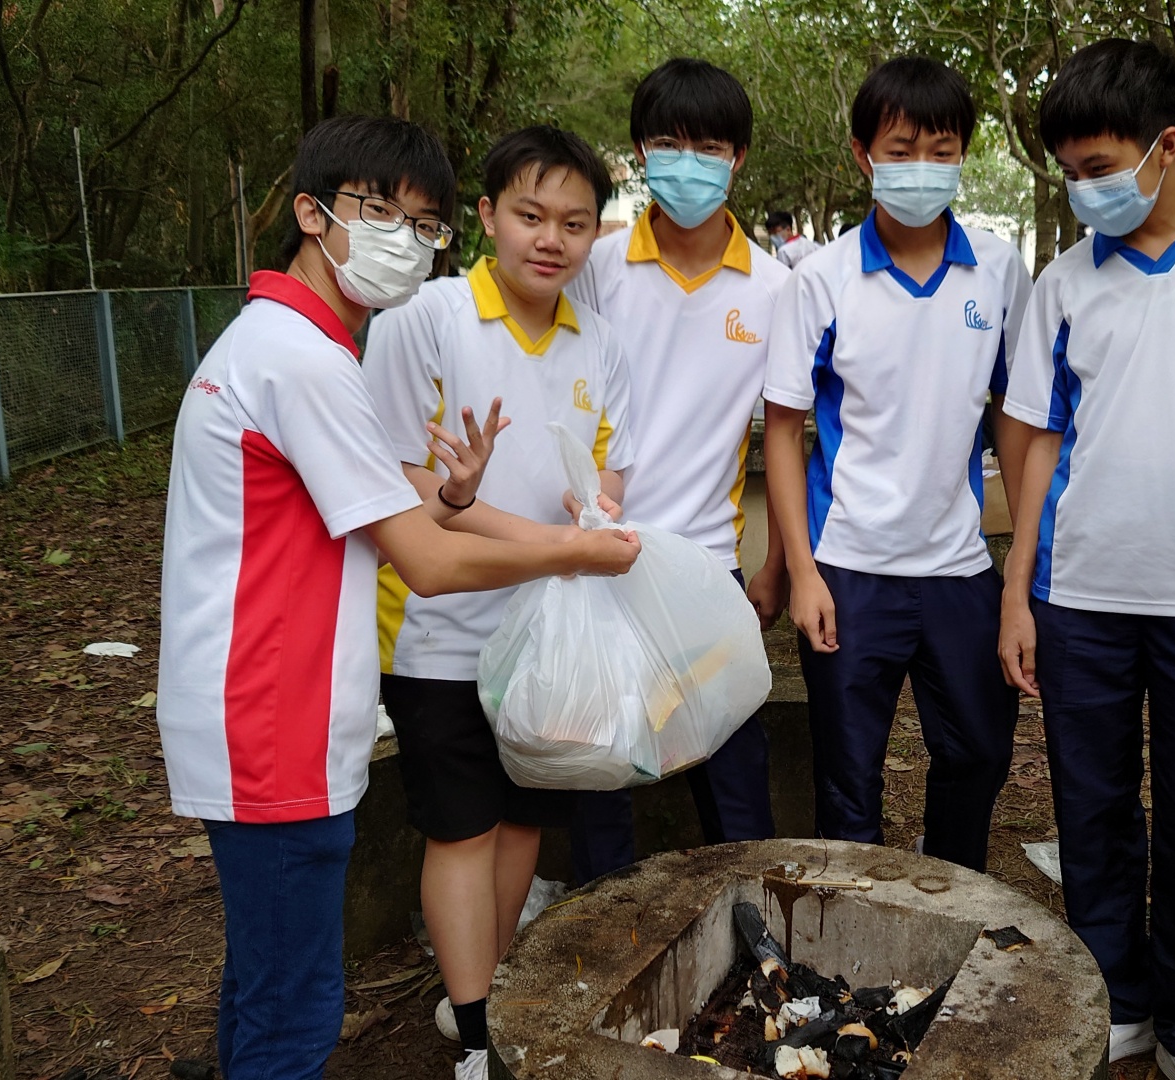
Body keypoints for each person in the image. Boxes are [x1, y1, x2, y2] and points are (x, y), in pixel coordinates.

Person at [154, 115, 639, 1080]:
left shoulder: (293, 347)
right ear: (312, 212)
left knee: (266, 981)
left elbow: (388, 505)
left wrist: (456, 498)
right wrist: (572, 551)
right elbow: (426, 563)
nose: (404, 243)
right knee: (295, 1015)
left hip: (273, 706)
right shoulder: (302, 360)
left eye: (423, 226)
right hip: (272, 715)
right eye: (379, 213)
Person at [998, 39, 1175, 1080]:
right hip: (1083, 592)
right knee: (1092, 803)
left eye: (1101, 167)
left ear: (1167, 147)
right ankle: (1116, 998)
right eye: (1071, 173)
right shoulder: (1065, 284)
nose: (1086, 190)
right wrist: (1018, 590)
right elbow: (1037, 441)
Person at [362, 125, 636, 1080]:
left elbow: (608, 474)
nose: (550, 239)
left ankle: (480, 998)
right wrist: (545, 539)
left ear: (594, 234)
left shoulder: (600, 342)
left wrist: (596, 513)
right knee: (462, 826)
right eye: (530, 215)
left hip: (545, 636)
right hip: (436, 632)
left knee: (521, 820)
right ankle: (482, 1041)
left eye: (574, 222)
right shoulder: (423, 319)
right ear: (486, 217)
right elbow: (401, 488)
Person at [760, 55, 1032, 872]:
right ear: (863, 155)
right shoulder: (821, 280)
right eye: (902, 150)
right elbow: (784, 430)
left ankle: (948, 889)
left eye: (941, 151)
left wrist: (1020, 569)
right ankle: (854, 923)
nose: (922, 168)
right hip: (850, 569)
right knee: (848, 781)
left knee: (979, 754)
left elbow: (1015, 417)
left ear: (963, 155)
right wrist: (803, 572)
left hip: (959, 568)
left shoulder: (999, 271)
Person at [565, 57, 792, 882]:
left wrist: (775, 566)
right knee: (599, 772)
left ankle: (755, 923)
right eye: (668, 143)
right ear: (639, 152)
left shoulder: (775, 287)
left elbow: (783, 433)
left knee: (735, 774)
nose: (688, 163)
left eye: (709, 147)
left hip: (706, 567)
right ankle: (597, 926)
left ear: (738, 158)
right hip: (598, 556)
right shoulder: (595, 268)